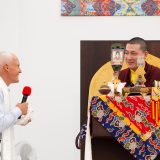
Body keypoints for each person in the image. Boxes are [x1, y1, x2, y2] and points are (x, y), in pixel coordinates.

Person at [0, 51, 31, 160]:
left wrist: (18, 120)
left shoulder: (4, 90)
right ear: (7, 67)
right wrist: (18, 110)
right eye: (17, 66)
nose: (20, 70)